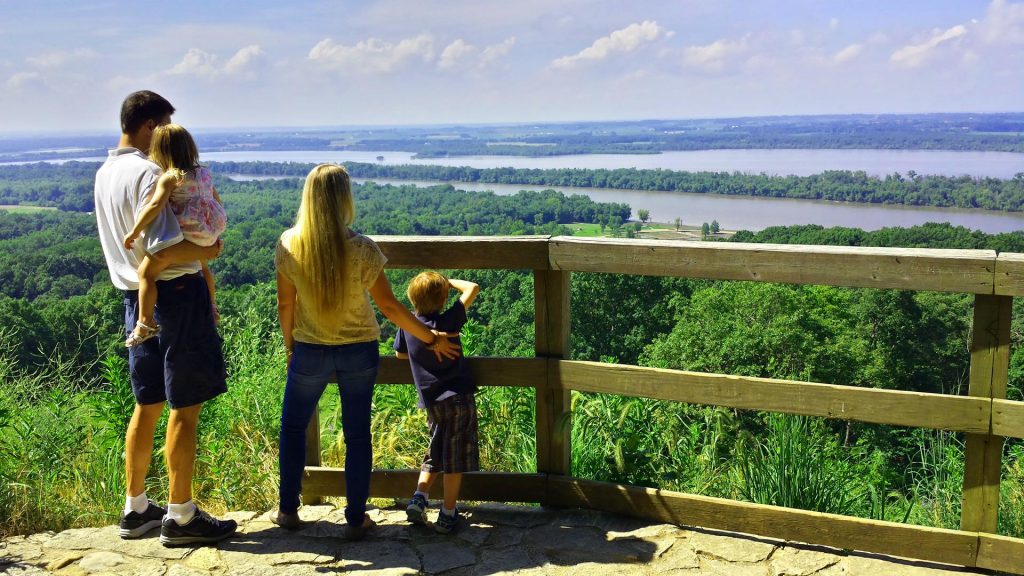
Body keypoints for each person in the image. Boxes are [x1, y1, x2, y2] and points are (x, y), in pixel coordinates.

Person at [274, 163, 460, 539]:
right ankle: (356, 516)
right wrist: (430, 338)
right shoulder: (362, 249)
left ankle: (288, 509)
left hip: (309, 347)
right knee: (357, 434)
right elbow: (391, 308)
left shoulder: (289, 244)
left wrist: (290, 346)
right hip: (357, 349)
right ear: (344, 199)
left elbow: (285, 306)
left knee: (293, 428)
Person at [94, 90, 236, 547]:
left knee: (148, 402)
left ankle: (136, 509)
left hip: (137, 302)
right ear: (151, 126)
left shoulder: (105, 173)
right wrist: (209, 250)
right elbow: (164, 249)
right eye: (165, 125)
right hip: (175, 294)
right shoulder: (150, 173)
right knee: (184, 407)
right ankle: (181, 515)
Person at [122, 123, 226, 347]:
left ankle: (144, 323)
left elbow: (155, 205)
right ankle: (212, 306)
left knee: (146, 274)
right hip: (210, 228)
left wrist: (135, 230)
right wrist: (213, 230)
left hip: (190, 230)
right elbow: (215, 200)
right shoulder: (204, 173)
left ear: (160, 151)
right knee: (203, 267)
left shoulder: (170, 177)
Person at [395, 271, 480, 534]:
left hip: (432, 401)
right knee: (455, 458)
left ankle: (420, 497)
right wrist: (448, 281)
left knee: (436, 449)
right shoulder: (449, 319)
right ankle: (448, 512)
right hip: (459, 397)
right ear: (443, 298)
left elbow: (399, 355)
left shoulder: (408, 325)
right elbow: (473, 288)